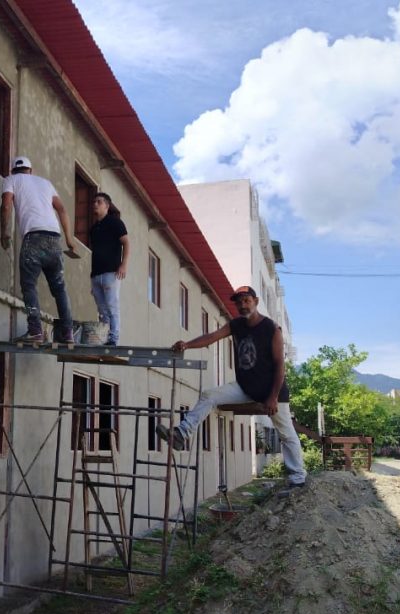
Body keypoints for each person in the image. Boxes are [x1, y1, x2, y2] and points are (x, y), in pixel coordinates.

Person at [157, 286, 307, 487]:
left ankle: (298, 478)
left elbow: (280, 365)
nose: (242, 305)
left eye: (246, 300)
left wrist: (272, 397)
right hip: (246, 388)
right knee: (209, 395)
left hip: (272, 390)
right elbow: (211, 337)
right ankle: (181, 434)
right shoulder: (236, 325)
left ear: (256, 301)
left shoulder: (272, 328)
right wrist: (187, 344)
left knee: (286, 433)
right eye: (239, 302)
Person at [0, 156, 77, 343]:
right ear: (30, 170)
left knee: (29, 286)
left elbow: (6, 205)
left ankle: (35, 331)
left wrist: (4, 233)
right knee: (59, 288)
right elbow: (62, 210)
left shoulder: (10, 180)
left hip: (34, 239)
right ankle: (67, 333)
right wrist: (69, 239)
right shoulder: (45, 183)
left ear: (13, 171)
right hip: (54, 240)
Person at [88, 192, 129, 346]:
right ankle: (105, 337)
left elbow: (126, 242)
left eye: (99, 202)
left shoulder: (115, 223)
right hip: (96, 275)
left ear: (107, 205)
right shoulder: (94, 229)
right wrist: (92, 280)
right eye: (94, 202)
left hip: (111, 272)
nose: (95, 204)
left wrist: (123, 264)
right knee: (102, 310)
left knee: (112, 306)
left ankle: (113, 338)